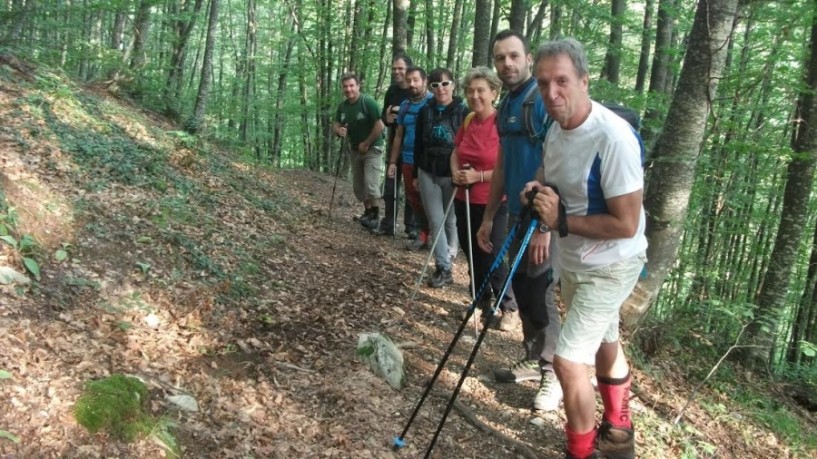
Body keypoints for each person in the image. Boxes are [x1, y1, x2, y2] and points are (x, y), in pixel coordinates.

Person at [525, 38, 647, 459]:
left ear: (583, 81)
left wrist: (560, 221)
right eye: (543, 83)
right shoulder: (554, 127)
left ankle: (582, 453)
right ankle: (618, 431)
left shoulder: (612, 138)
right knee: (603, 342)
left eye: (561, 81)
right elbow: (549, 170)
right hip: (575, 257)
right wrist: (538, 188)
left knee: (568, 361)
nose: (551, 93)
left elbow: (627, 224)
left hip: (613, 263)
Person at [475, 29, 563, 412]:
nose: (507, 64)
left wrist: (544, 226)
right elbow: (502, 166)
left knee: (542, 291)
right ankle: (533, 357)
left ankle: (553, 373)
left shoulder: (541, 101)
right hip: (515, 213)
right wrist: (489, 215)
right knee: (524, 287)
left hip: (543, 217)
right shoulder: (508, 103)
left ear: (528, 58)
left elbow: (559, 161)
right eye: (500, 58)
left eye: (513, 56)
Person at [450, 66, 519, 316]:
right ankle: (481, 301)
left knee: (493, 255)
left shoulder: (503, 123)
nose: (474, 96)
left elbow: (508, 166)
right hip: (464, 198)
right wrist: (456, 173)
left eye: (480, 90)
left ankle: (508, 307)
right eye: (470, 91)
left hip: (494, 201)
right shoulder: (468, 120)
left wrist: (477, 176)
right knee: (472, 253)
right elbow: (456, 152)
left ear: (494, 92)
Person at [413, 68, 466, 287]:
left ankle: (450, 254)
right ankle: (443, 266)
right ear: (430, 88)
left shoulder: (464, 112)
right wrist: (416, 171)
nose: (441, 89)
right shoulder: (425, 112)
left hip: (452, 174)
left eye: (445, 84)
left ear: (453, 85)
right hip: (428, 170)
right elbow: (418, 143)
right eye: (435, 85)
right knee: (436, 220)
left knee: (450, 219)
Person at [372, 54, 418, 237]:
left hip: (413, 147)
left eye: (400, 68)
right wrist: (388, 118)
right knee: (390, 186)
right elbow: (385, 117)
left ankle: (411, 226)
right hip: (394, 144)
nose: (397, 72)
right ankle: (388, 224)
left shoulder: (416, 91)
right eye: (394, 69)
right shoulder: (391, 91)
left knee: (411, 188)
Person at [387, 66, 432, 251]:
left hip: (428, 162)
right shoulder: (405, 106)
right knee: (413, 198)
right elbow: (398, 135)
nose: (412, 84)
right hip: (407, 159)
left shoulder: (432, 102)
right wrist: (392, 162)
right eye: (409, 80)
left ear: (424, 80)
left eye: (416, 79)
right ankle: (423, 233)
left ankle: (436, 235)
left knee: (430, 199)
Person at [332, 73, 385, 229]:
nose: (348, 89)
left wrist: (367, 143)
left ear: (358, 86)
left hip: (373, 148)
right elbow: (335, 123)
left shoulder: (367, 102)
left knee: (371, 183)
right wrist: (338, 131)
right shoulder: (343, 107)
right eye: (345, 86)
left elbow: (380, 125)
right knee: (359, 186)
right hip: (355, 149)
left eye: (351, 86)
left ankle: (375, 217)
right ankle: (367, 212)